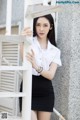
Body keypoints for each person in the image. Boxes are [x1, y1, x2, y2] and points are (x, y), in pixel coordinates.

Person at [20, 14, 62, 120]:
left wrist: (35, 65)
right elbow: (23, 58)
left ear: (51, 27)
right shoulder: (30, 42)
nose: (41, 29)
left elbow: (51, 75)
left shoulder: (55, 51)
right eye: (38, 25)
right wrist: (22, 39)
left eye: (45, 25)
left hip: (45, 92)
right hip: (28, 86)